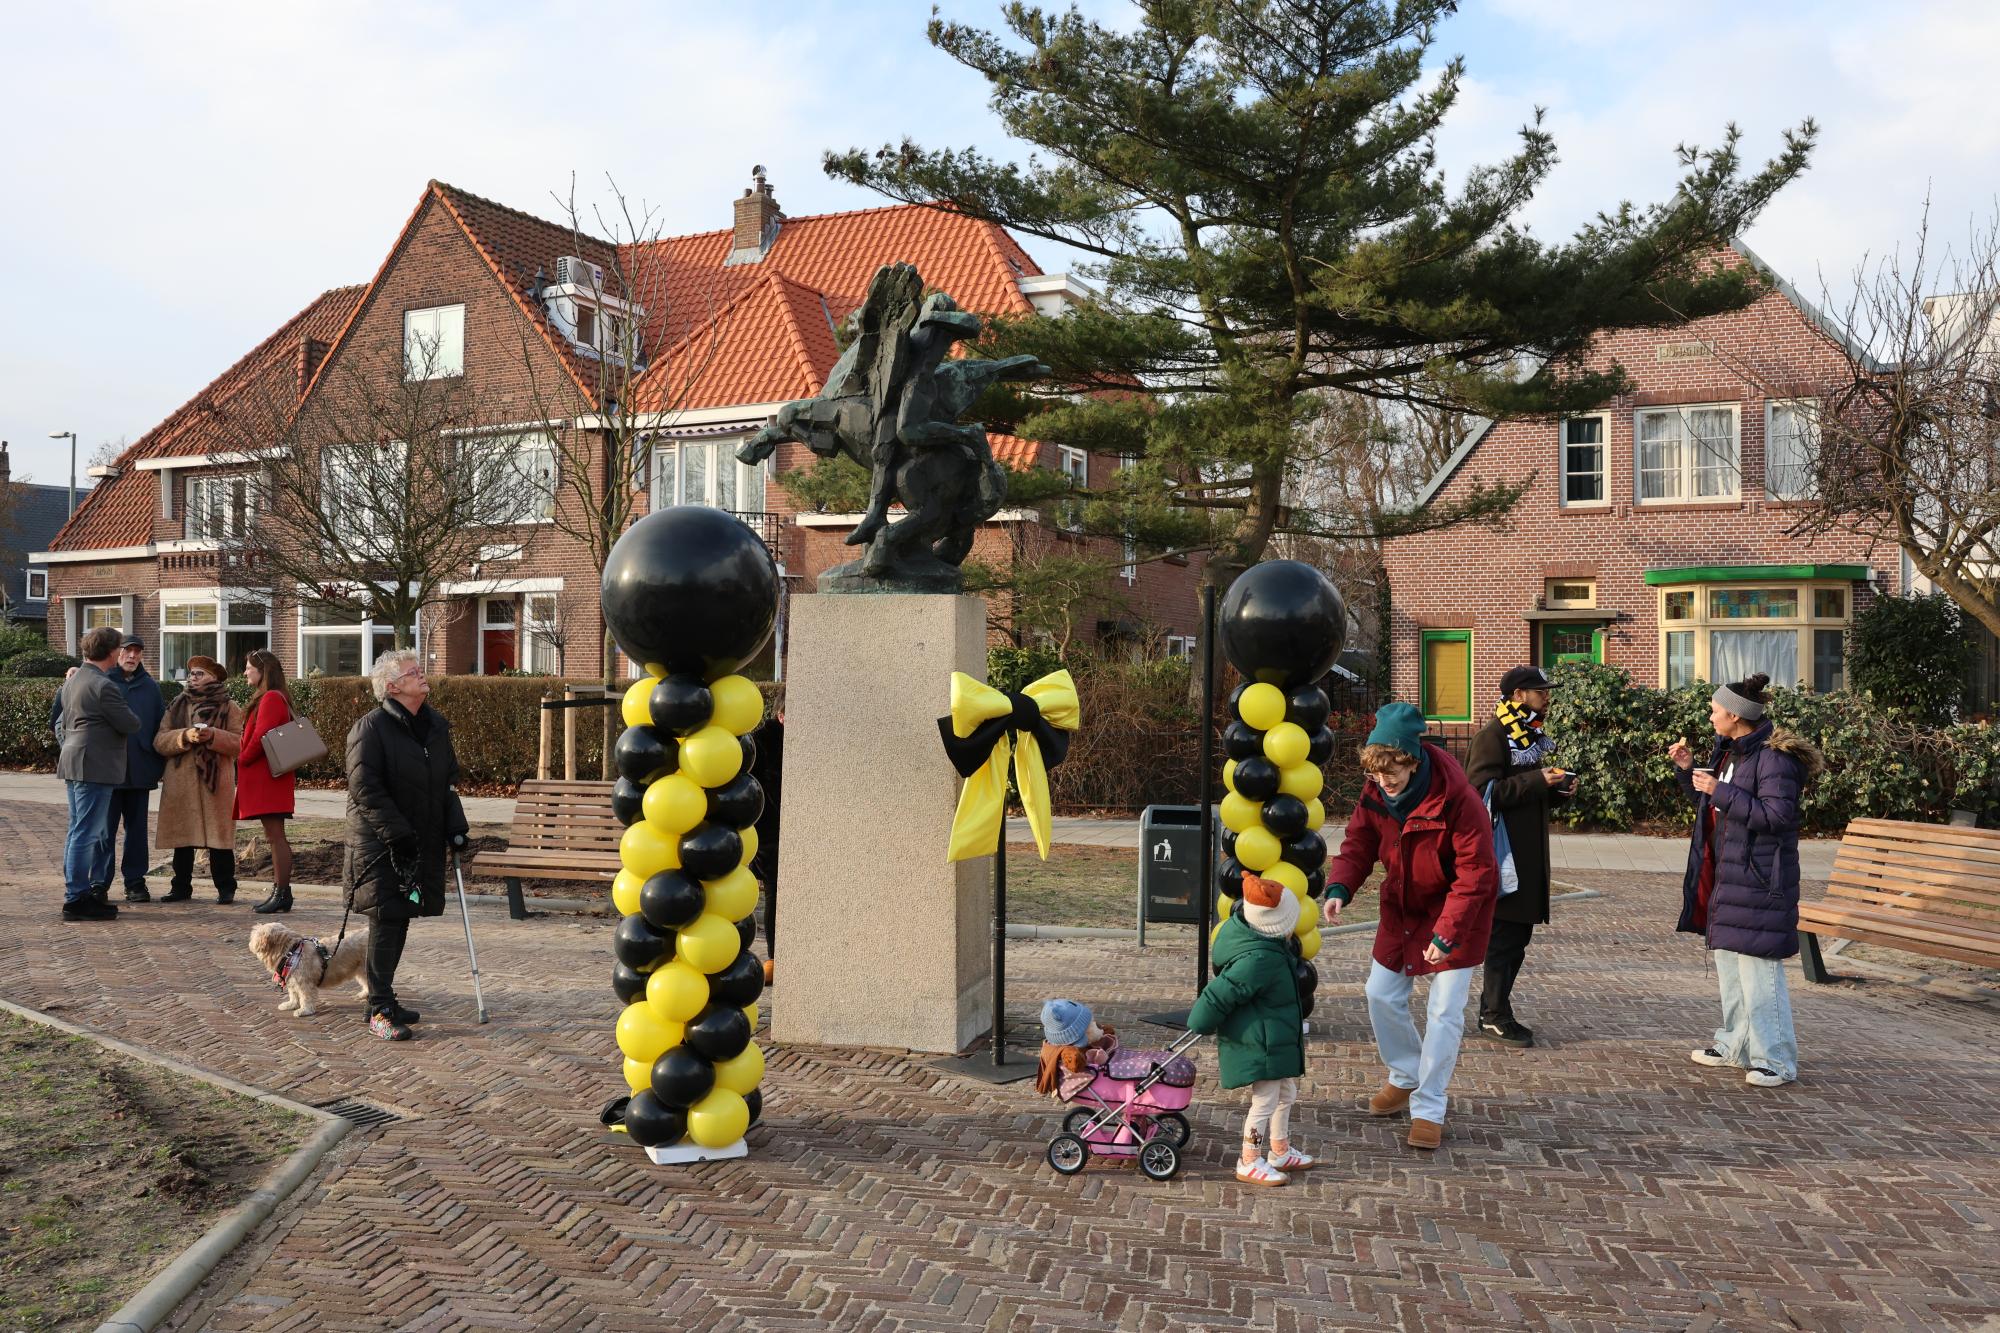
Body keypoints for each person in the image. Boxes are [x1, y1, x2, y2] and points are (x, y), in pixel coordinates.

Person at [1323, 702, 1499, 1150]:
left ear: (1412, 758)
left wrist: (1447, 934)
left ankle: (1429, 1106)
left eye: (1392, 774)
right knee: (1380, 993)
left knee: (1444, 1011)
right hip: (1402, 908)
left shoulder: (1459, 797)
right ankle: (1404, 1073)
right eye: (1376, 776)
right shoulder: (1376, 790)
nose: (1384, 783)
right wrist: (1341, 886)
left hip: (1458, 913)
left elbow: (1477, 872)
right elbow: (1360, 840)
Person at [1668, 672, 1822, 1089]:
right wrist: (1689, 773)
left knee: (1760, 975)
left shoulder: (1774, 759)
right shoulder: (1734, 752)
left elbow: (1777, 817)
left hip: (1759, 881)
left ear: (1735, 716)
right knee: (1732, 969)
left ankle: (1778, 1061)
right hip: (1730, 878)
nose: (1710, 714)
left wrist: (1719, 791)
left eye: (1715, 709)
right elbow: (1717, 807)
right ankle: (1734, 1044)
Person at [344, 650, 468, 1041]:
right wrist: (397, 834)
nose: (423, 675)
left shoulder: (434, 726)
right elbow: (365, 789)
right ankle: (378, 1009)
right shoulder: (371, 728)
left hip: (418, 839)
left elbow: (446, 783)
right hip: (382, 843)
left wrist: (456, 826)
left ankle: (384, 997)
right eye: (414, 672)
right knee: (387, 917)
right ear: (393, 686)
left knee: (400, 917)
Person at [1463, 665, 1574, 1047]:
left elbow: (1523, 793)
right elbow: (1479, 793)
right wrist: (1537, 780)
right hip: (1505, 855)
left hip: (1527, 854)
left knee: (1517, 937)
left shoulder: (1526, 736)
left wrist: (1556, 790)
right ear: (1517, 695)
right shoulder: (1493, 736)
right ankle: (1494, 1015)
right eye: (1538, 690)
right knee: (1504, 938)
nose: (1546, 695)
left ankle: (1495, 1009)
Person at [1187, 874, 1313, 1186]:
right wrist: (1200, 1022)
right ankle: (1249, 1160)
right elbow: (1221, 992)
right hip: (1261, 1043)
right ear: (1278, 922)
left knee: (1286, 1092)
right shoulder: (1259, 958)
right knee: (1265, 1100)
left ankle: (1279, 1150)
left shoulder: (1262, 941)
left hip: (1273, 1036)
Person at [51, 635, 166, 904]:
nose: (131, 656)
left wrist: (155, 759)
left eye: (137, 652)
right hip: (101, 770)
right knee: (99, 831)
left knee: (135, 831)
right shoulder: (100, 682)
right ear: (115, 653)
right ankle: (97, 884)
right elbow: (61, 722)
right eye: (126, 650)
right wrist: (77, 748)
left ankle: (134, 881)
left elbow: (159, 724)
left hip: (138, 770)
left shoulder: (150, 687)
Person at [57, 626, 142, 921]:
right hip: (94, 764)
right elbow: (131, 724)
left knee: (77, 829)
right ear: (111, 652)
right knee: (86, 832)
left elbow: (62, 722)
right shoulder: (103, 685)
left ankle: (75, 894)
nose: (122, 653)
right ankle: (77, 899)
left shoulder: (73, 680)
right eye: (119, 648)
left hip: (74, 759)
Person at [153, 655, 245, 903]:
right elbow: (160, 741)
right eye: (191, 673)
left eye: (199, 673)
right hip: (181, 782)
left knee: (220, 840)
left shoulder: (230, 707)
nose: (193, 677)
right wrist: (185, 736)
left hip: (216, 784)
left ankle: (226, 888)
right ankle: (180, 887)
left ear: (213, 677)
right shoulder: (177, 704)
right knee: (182, 839)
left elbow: (240, 744)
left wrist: (213, 736)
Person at [237, 649, 299, 914]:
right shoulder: (272, 696)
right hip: (268, 779)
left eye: (249, 667)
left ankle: (282, 892)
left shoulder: (272, 697)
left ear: (263, 671)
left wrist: (242, 759)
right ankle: (281, 891)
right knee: (273, 836)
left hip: (268, 780)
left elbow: (262, 735)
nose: (245, 672)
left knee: (276, 837)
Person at [749, 711, 783, 983]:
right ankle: (775, 956)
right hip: (769, 836)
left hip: (783, 833)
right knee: (774, 893)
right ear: (781, 715)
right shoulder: (762, 743)